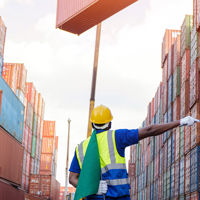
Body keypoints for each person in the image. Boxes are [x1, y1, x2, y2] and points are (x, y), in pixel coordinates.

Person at [69, 105, 199, 200]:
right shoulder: (117, 137)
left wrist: (93, 187)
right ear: (109, 123)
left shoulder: (81, 147)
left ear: (92, 124)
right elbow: (149, 130)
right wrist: (181, 122)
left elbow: (72, 179)